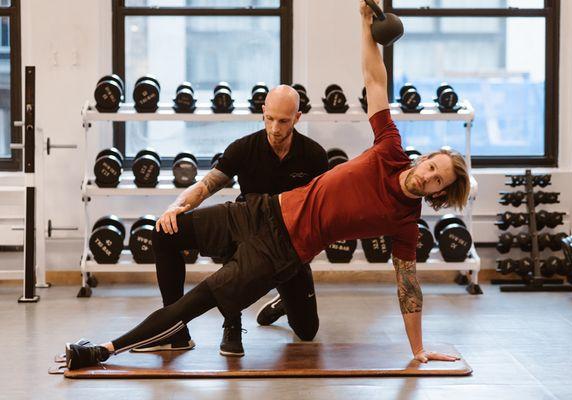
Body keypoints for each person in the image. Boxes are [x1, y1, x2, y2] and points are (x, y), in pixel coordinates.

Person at [64, 0, 470, 370]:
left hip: (282, 251)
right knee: (169, 231)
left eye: (438, 180)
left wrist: (418, 348)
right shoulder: (391, 147)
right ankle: (170, 333)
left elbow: (408, 286)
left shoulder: (404, 222)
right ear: (425, 157)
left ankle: (103, 350)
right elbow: (375, 80)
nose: (429, 175)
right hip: (258, 212)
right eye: (433, 165)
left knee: (200, 299)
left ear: (438, 193)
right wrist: (365, 25)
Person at [132, 84, 328, 357]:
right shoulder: (244, 148)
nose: (274, 128)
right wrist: (174, 207)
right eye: (269, 118)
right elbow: (206, 186)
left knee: (307, 331)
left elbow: (324, 211)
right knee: (168, 233)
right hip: (248, 232)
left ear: (297, 118)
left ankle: (285, 300)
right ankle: (195, 329)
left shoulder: (314, 156)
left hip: (288, 247)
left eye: (283, 121)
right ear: (262, 112)